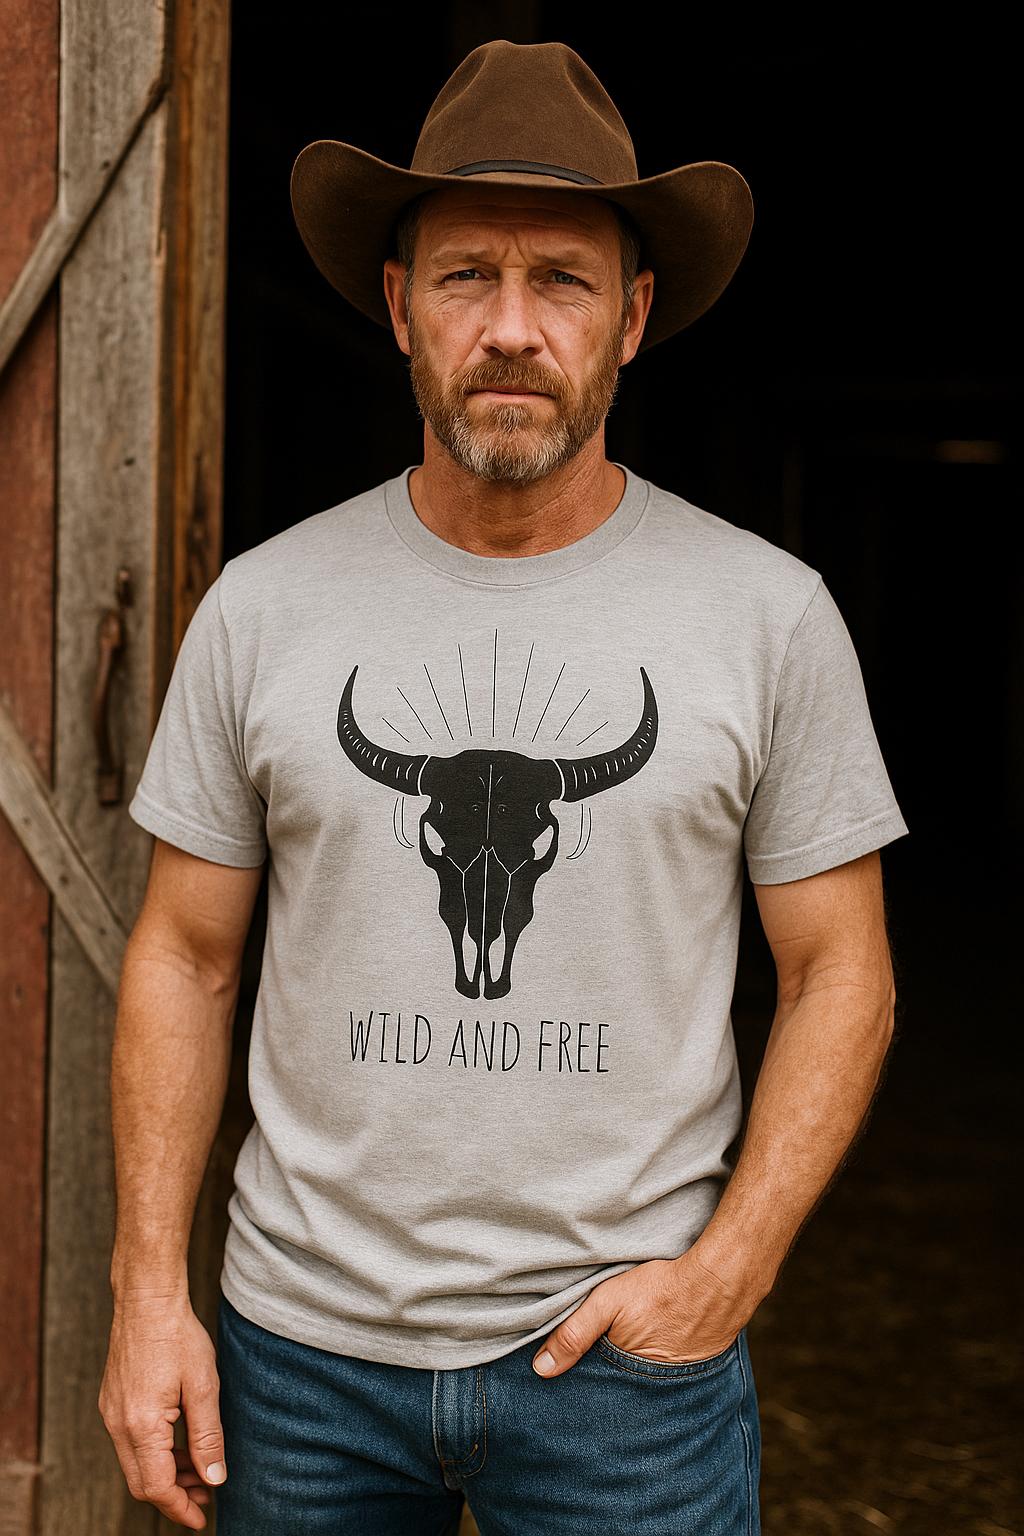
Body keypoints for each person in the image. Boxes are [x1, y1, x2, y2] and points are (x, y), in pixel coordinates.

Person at [98, 37, 909, 1536]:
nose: (514, 328)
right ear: (399, 304)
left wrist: (728, 1272)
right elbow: (184, 956)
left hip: (632, 1374)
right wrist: (150, 1293)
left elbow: (840, 972)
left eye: (565, 282)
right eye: (468, 275)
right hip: (302, 1364)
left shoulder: (769, 617)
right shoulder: (264, 609)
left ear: (634, 316)